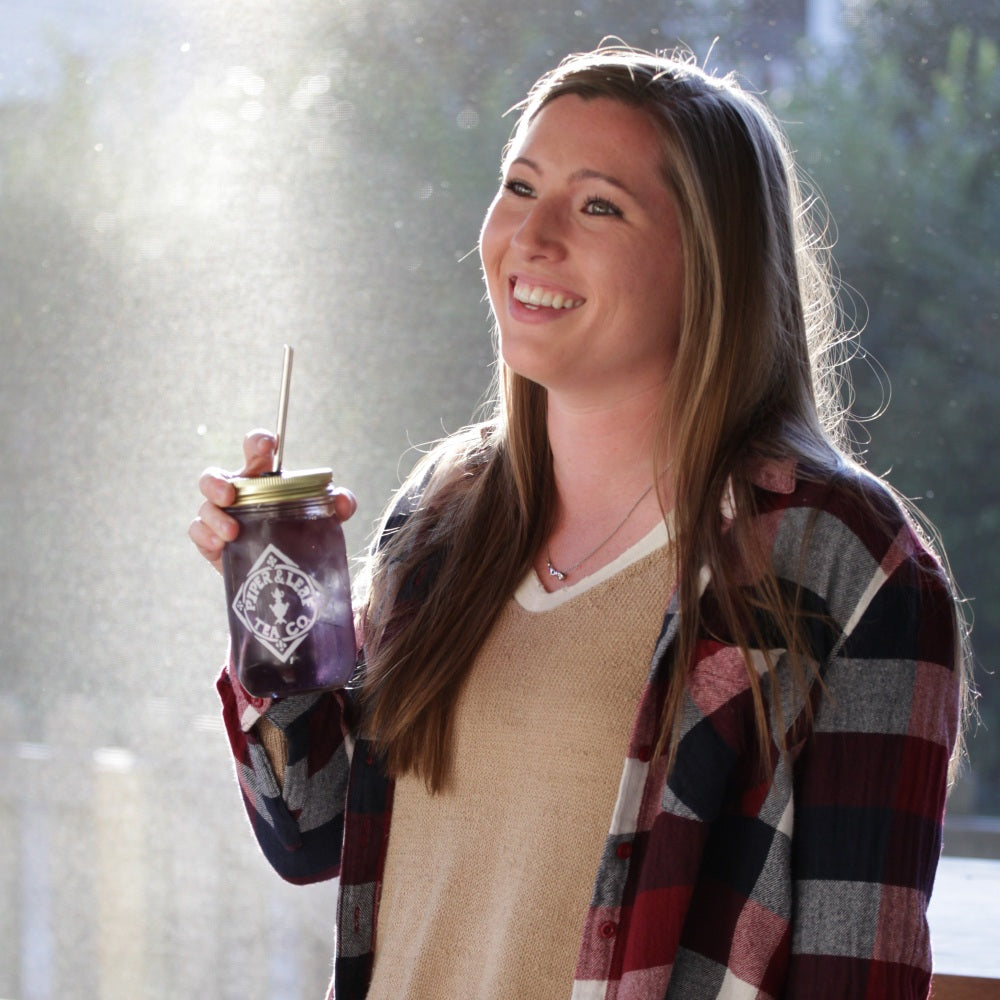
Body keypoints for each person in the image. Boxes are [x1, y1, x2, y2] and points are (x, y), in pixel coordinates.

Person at [190, 44, 970, 1000]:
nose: (531, 236)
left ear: (709, 262)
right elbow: (309, 832)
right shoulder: (445, 513)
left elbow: (861, 973)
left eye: (599, 204)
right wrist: (279, 609)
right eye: (519, 186)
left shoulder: (843, 562)